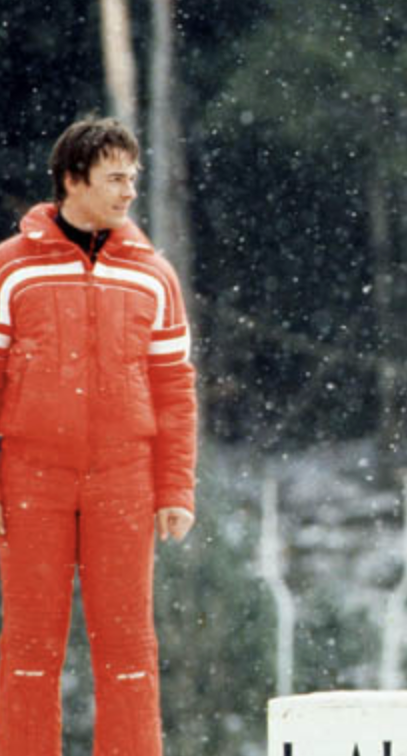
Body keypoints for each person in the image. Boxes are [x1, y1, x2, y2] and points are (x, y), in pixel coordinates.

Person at [0, 116, 197, 755]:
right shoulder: (10, 269)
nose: (128, 191)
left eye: (133, 178)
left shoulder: (153, 275)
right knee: (30, 644)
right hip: (31, 477)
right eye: (114, 178)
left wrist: (175, 489)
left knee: (128, 644)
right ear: (71, 180)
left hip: (124, 478)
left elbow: (174, 391)